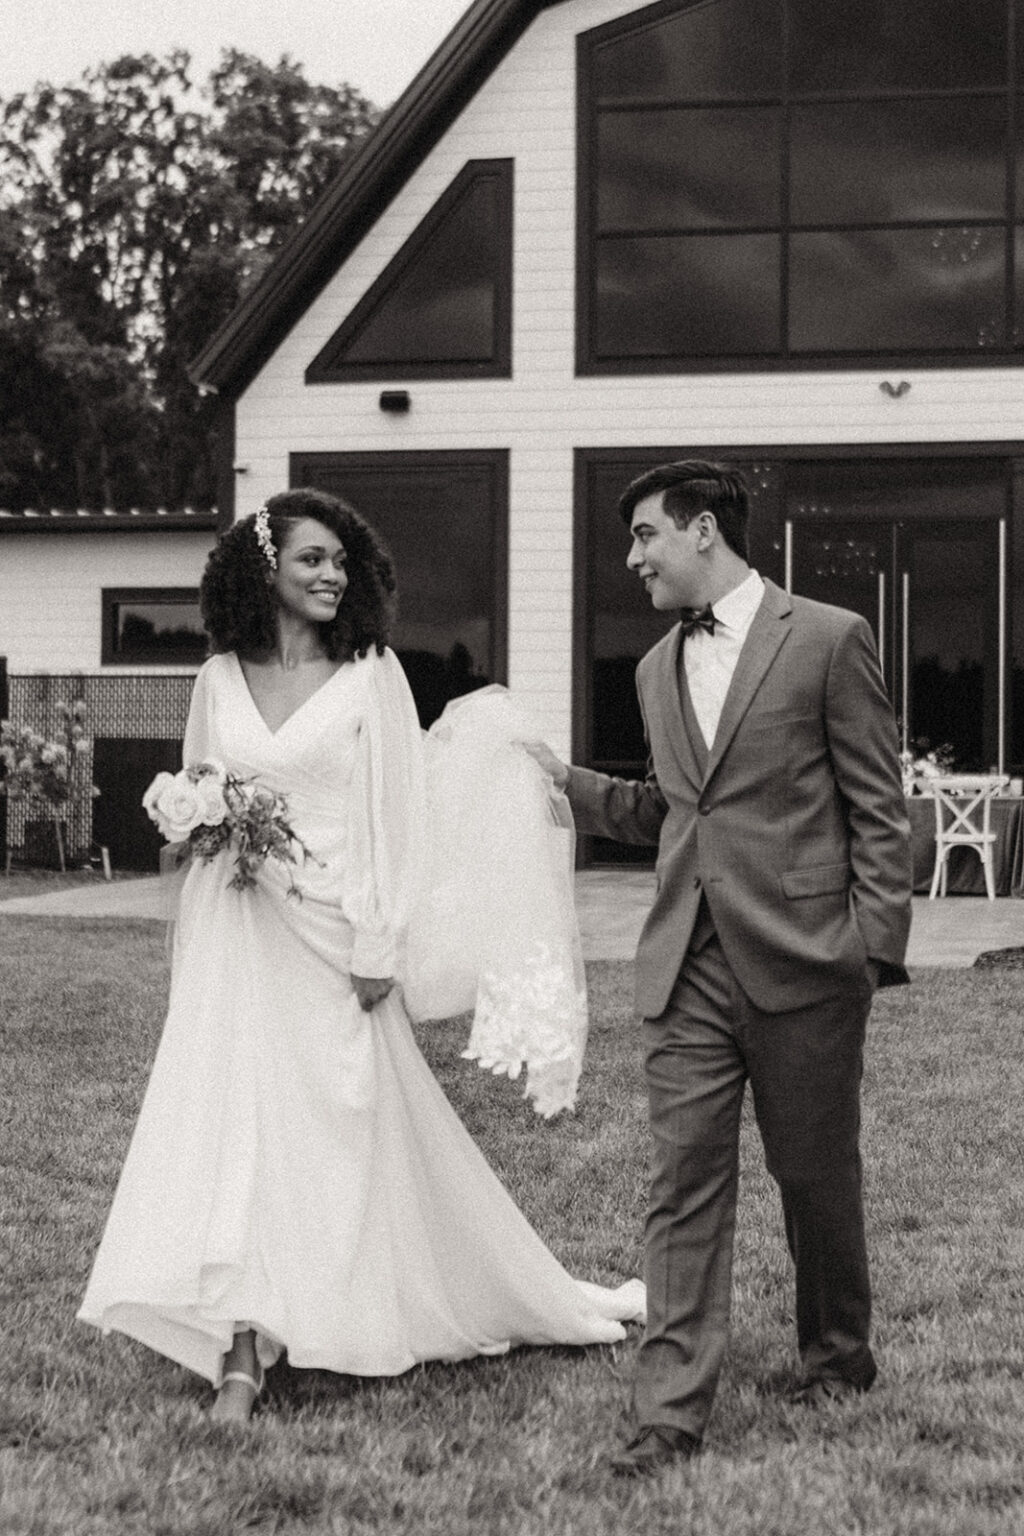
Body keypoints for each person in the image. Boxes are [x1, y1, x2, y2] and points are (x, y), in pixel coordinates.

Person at [78, 487, 643, 1423]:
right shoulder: (218, 675)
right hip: (239, 925)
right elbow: (201, 782)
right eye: (311, 560)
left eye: (342, 562)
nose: (331, 575)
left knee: (338, 1122)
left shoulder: (371, 672)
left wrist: (381, 934)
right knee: (237, 1122)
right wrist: (194, 812)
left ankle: (345, 1306)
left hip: (338, 928)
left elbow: (397, 818)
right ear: (265, 568)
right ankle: (243, 1344)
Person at [526, 460, 912, 1476]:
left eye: (646, 535)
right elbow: (673, 810)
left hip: (804, 960)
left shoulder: (827, 638)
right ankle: (668, 1411)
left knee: (813, 1174)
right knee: (681, 1181)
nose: (633, 558)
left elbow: (877, 805)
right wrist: (562, 784)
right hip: (683, 963)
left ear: (702, 531)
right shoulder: (655, 668)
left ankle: (837, 1358)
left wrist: (870, 950)